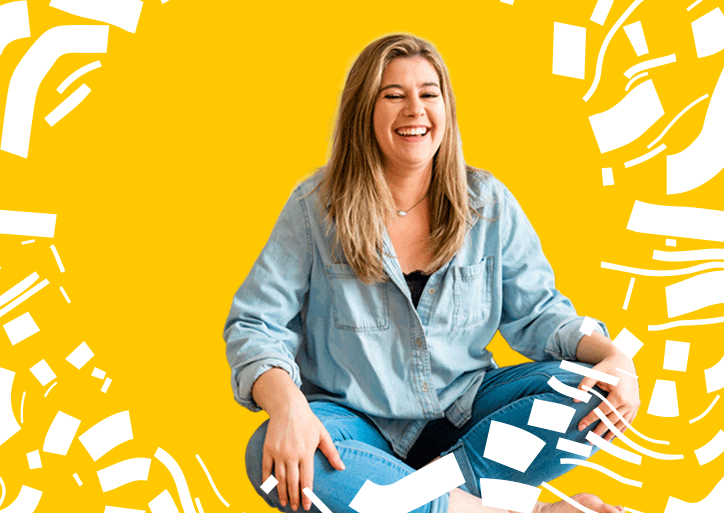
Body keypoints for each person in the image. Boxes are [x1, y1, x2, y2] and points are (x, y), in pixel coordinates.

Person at [223, 34, 639, 513]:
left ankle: (422, 500)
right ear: (364, 110)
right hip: (356, 427)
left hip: (467, 417)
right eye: (393, 95)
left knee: (591, 391)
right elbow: (256, 324)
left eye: (428, 93)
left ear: (446, 108)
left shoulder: (488, 202)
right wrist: (287, 405)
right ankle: (514, 510)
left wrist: (616, 359)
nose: (414, 110)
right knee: (269, 457)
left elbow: (541, 314)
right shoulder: (315, 207)